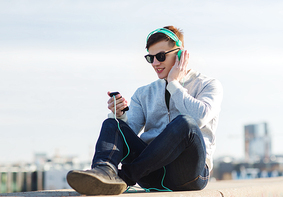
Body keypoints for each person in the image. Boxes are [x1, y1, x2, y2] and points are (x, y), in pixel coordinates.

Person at [66, 26, 223, 195]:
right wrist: (120, 116)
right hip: (150, 172)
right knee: (113, 123)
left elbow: (199, 117)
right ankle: (103, 172)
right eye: (151, 58)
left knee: (186, 123)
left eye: (161, 56)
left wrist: (174, 84)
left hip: (188, 174)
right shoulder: (143, 93)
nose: (155, 63)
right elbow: (129, 133)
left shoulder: (208, 85)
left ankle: (123, 178)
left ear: (180, 55)